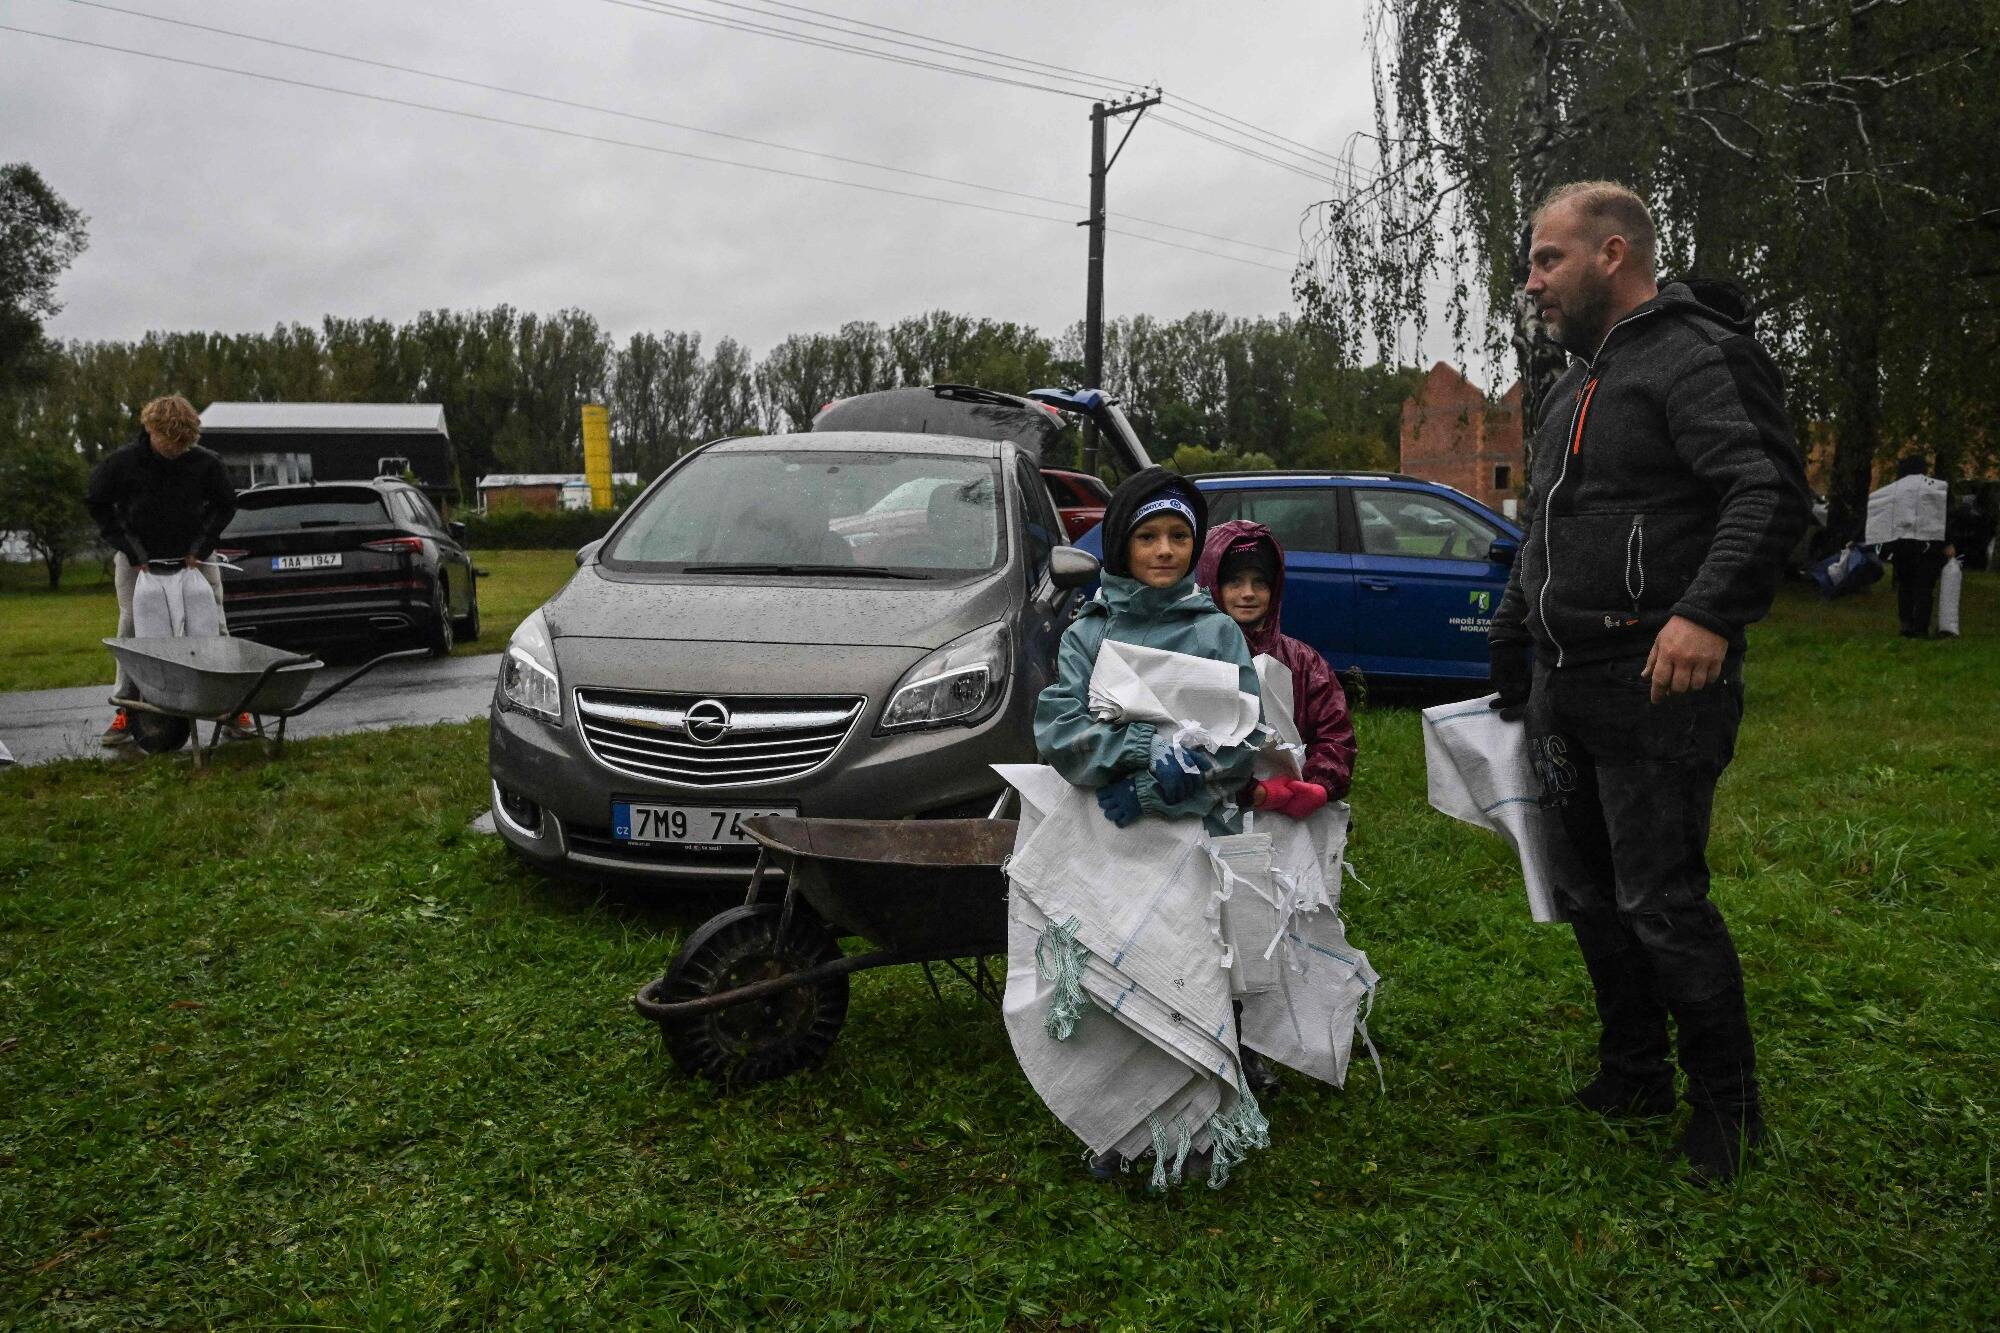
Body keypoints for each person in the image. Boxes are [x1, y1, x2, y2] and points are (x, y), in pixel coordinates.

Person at [1488, 181, 1811, 1184]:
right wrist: (1509, 637)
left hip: (1657, 681)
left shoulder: (1695, 354)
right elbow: (1540, 529)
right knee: (1587, 891)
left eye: (1546, 260)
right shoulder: (1569, 387)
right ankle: (1634, 1072)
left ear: (1612, 253)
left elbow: (1766, 489)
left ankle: (1730, 1112)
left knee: (1660, 898)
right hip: (1564, 681)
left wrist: (1707, 612)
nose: (1530, 281)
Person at [1032, 466, 1264, 1178]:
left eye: (1178, 536)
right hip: (1108, 837)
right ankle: (1121, 1125)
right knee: (1117, 974)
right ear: (1122, 545)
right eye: (1148, 536)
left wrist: (1176, 786)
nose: (1164, 550)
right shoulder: (1090, 630)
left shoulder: (1218, 632)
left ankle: (1193, 1131)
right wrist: (1138, 749)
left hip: (1193, 840)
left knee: (1190, 977)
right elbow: (1058, 730)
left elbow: (1245, 739)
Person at [85, 395, 240, 744]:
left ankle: (231, 707)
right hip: (136, 559)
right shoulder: (122, 464)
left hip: (195, 558)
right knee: (130, 628)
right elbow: (97, 503)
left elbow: (226, 504)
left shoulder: (206, 464)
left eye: (183, 444)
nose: (174, 450)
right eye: (168, 442)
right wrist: (131, 549)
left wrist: (201, 547)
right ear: (150, 429)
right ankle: (126, 708)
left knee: (215, 620)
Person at [1195, 520, 1357, 814]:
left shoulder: (1303, 661)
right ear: (1212, 585)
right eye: (1235, 582)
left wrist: (1319, 785)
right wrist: (1250, 791)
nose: (1248, 593)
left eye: (1260, 582)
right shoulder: (1194, 656)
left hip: (1294, 811)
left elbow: (1335, 733)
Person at [1873, 455, 1952, 638]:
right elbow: (1942, 517)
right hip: (1928, 546)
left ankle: (1906, 623)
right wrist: (1948, 542)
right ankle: (1920, 626)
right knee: (1924, 588)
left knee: (1906, 587)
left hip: (1904, 547)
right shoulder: (1934, 489)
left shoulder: (1895, 491)